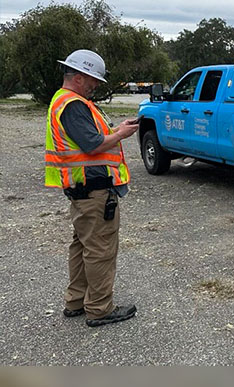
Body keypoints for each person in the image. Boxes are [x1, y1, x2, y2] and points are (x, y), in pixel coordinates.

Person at [44, 49, 140, 326]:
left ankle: (76, 301)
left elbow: (91, 140)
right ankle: (99, 308)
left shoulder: (64, 101)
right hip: (95, 190)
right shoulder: (73, 105)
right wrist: (121, 134)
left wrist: (116, 129)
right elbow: (93, 144)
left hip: (83, 190)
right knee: (100, 249)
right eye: (93, 79)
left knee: (82, 246)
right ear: (79, 77)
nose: (96, 85)